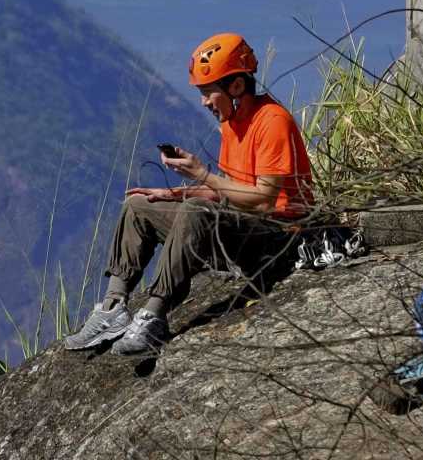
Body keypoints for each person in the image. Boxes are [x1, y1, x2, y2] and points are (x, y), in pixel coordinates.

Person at [61, 33, 316, 356]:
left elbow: (265, 199)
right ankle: (113, 307)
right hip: (243, 227)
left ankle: (153, 315)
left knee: (195, 210)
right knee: (139, 205)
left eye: (208, 93)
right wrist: (174, 193)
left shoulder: (272, 120)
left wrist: (200, 176)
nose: (204, 102)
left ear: (236, 86)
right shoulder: (233, 123)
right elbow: (230, 190)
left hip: (279, 239)